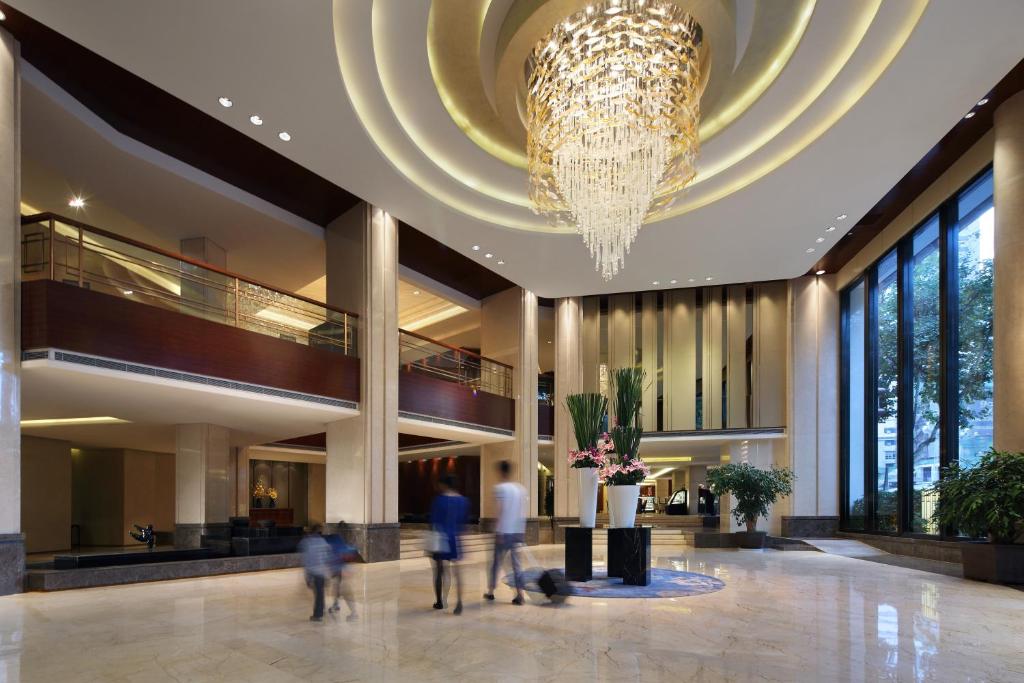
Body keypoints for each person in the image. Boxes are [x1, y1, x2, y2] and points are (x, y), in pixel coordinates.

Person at [484, 460, 526, 605]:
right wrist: (521, 531)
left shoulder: (500, 488)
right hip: (517, 532)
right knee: (516, 565)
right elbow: (522, 512)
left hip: (504, 531)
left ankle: (490, 591)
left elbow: (500, 510)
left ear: (501, 472)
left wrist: (498, 531)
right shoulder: (520, 489)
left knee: (496, 562)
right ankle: (520, 594)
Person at [429, 474, 468, 614]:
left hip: (441, 538)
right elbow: (463, 522)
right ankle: (459, 602)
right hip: (455, 538)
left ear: (443, 484)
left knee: (439, 571)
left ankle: (440, 601)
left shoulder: (439, 500)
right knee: (457, 572)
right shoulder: (463, 501)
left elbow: (434, 522)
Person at [324, 523, 359, 622]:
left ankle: (354, 612)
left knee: (345, 592)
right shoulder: (339, 539)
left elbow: (338, 555)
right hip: (340, 570)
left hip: (341, 570)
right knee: (337, 589)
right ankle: (336, 605)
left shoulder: (336, 539)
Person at [298, 524, 332, 622]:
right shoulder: (322, 541)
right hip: (321, 571)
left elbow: (306, 559)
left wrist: (307, 577)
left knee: (318, 592)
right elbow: (327, 556)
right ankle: (321, 609)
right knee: (319, 592)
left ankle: (318, 614)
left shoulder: (307, 542)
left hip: (312, 571)